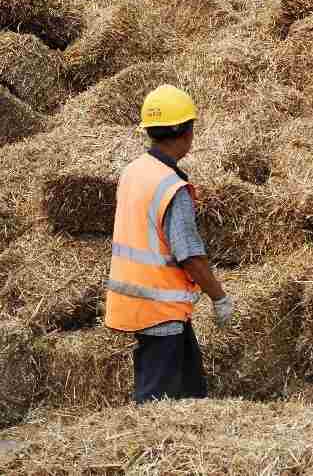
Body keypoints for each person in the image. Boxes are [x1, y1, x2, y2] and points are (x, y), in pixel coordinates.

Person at [104, 84, 234, 404]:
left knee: (191, 391)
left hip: (137, 300)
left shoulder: (134, 171)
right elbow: (189, 253)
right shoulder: (171, 187)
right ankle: (151, 453)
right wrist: (219, 297)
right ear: (187, 133)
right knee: (157, 403)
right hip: (159, 307)